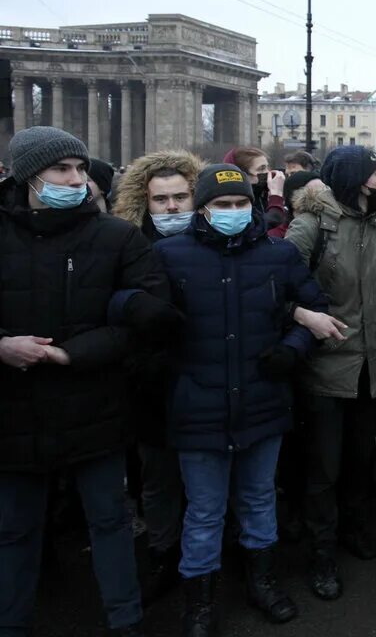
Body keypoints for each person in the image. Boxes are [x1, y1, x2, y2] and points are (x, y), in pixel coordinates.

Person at [0, 126, 170, 637]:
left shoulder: (115, 236)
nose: (76, 180)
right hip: (13, 409)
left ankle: (126, 622)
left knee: (110, 522)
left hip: (94, 405)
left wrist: (71, 354)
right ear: (27, 176)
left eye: (80, 169)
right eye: (61, 170)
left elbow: (148, 317)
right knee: (14, 531)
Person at [148, 164, 329, 634]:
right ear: (202, 210)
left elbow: (314, 313)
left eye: (240, 204)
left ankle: (263, 581)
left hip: (262, 397)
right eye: (221, 205)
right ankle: (200, 601)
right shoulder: (167, 255)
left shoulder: (279, 253)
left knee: (258, 498)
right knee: (204, 509)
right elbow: (145, 321)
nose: (232, 212)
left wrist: (291, 351)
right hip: (198, 403)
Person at [285, 145, 376, 601]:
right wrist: (302, 315)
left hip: (372, 364)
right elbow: (274, 286)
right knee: (324, 469)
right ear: (357, 180)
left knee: (362, 460)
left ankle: (354, 529)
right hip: (324, 366)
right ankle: (322, 554)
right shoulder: (310, 226)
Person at [111, 149, 205, 603]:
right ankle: (163, 552)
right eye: (160, 200)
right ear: (143, 203)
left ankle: (205, 557)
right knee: (159, 479)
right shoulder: (126, 248)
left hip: (204, 377)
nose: (171, 208)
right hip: (151, 384)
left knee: (205, 480)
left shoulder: (216, 241)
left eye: (181, 198)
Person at [223, 147, 286, 231]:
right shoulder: (234, 202)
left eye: (267, 167)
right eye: (261, 169)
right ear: (243, 175)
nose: (268, 173)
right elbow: (258, 227)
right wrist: (276, 198)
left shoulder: (263, 194)